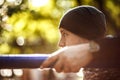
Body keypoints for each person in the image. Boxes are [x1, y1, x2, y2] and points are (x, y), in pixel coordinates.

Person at [40, 5, 120, 80]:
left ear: (86, 34)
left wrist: (91, 49)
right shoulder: (90, 72)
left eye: (65, 34)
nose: (60, 43)